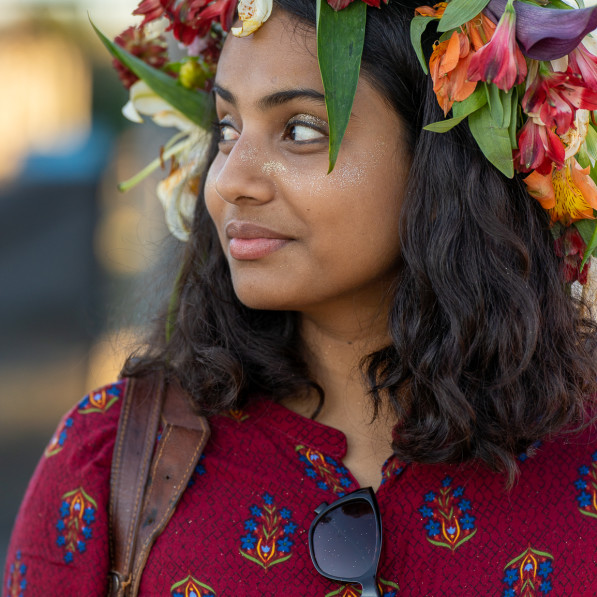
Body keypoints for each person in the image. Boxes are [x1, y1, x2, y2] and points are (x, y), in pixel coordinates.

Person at [5, 0, 597, 595]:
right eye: (227, 128)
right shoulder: (111, 458)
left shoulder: (581, 460)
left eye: (300, 130)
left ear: (443, 157)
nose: (232, 178)